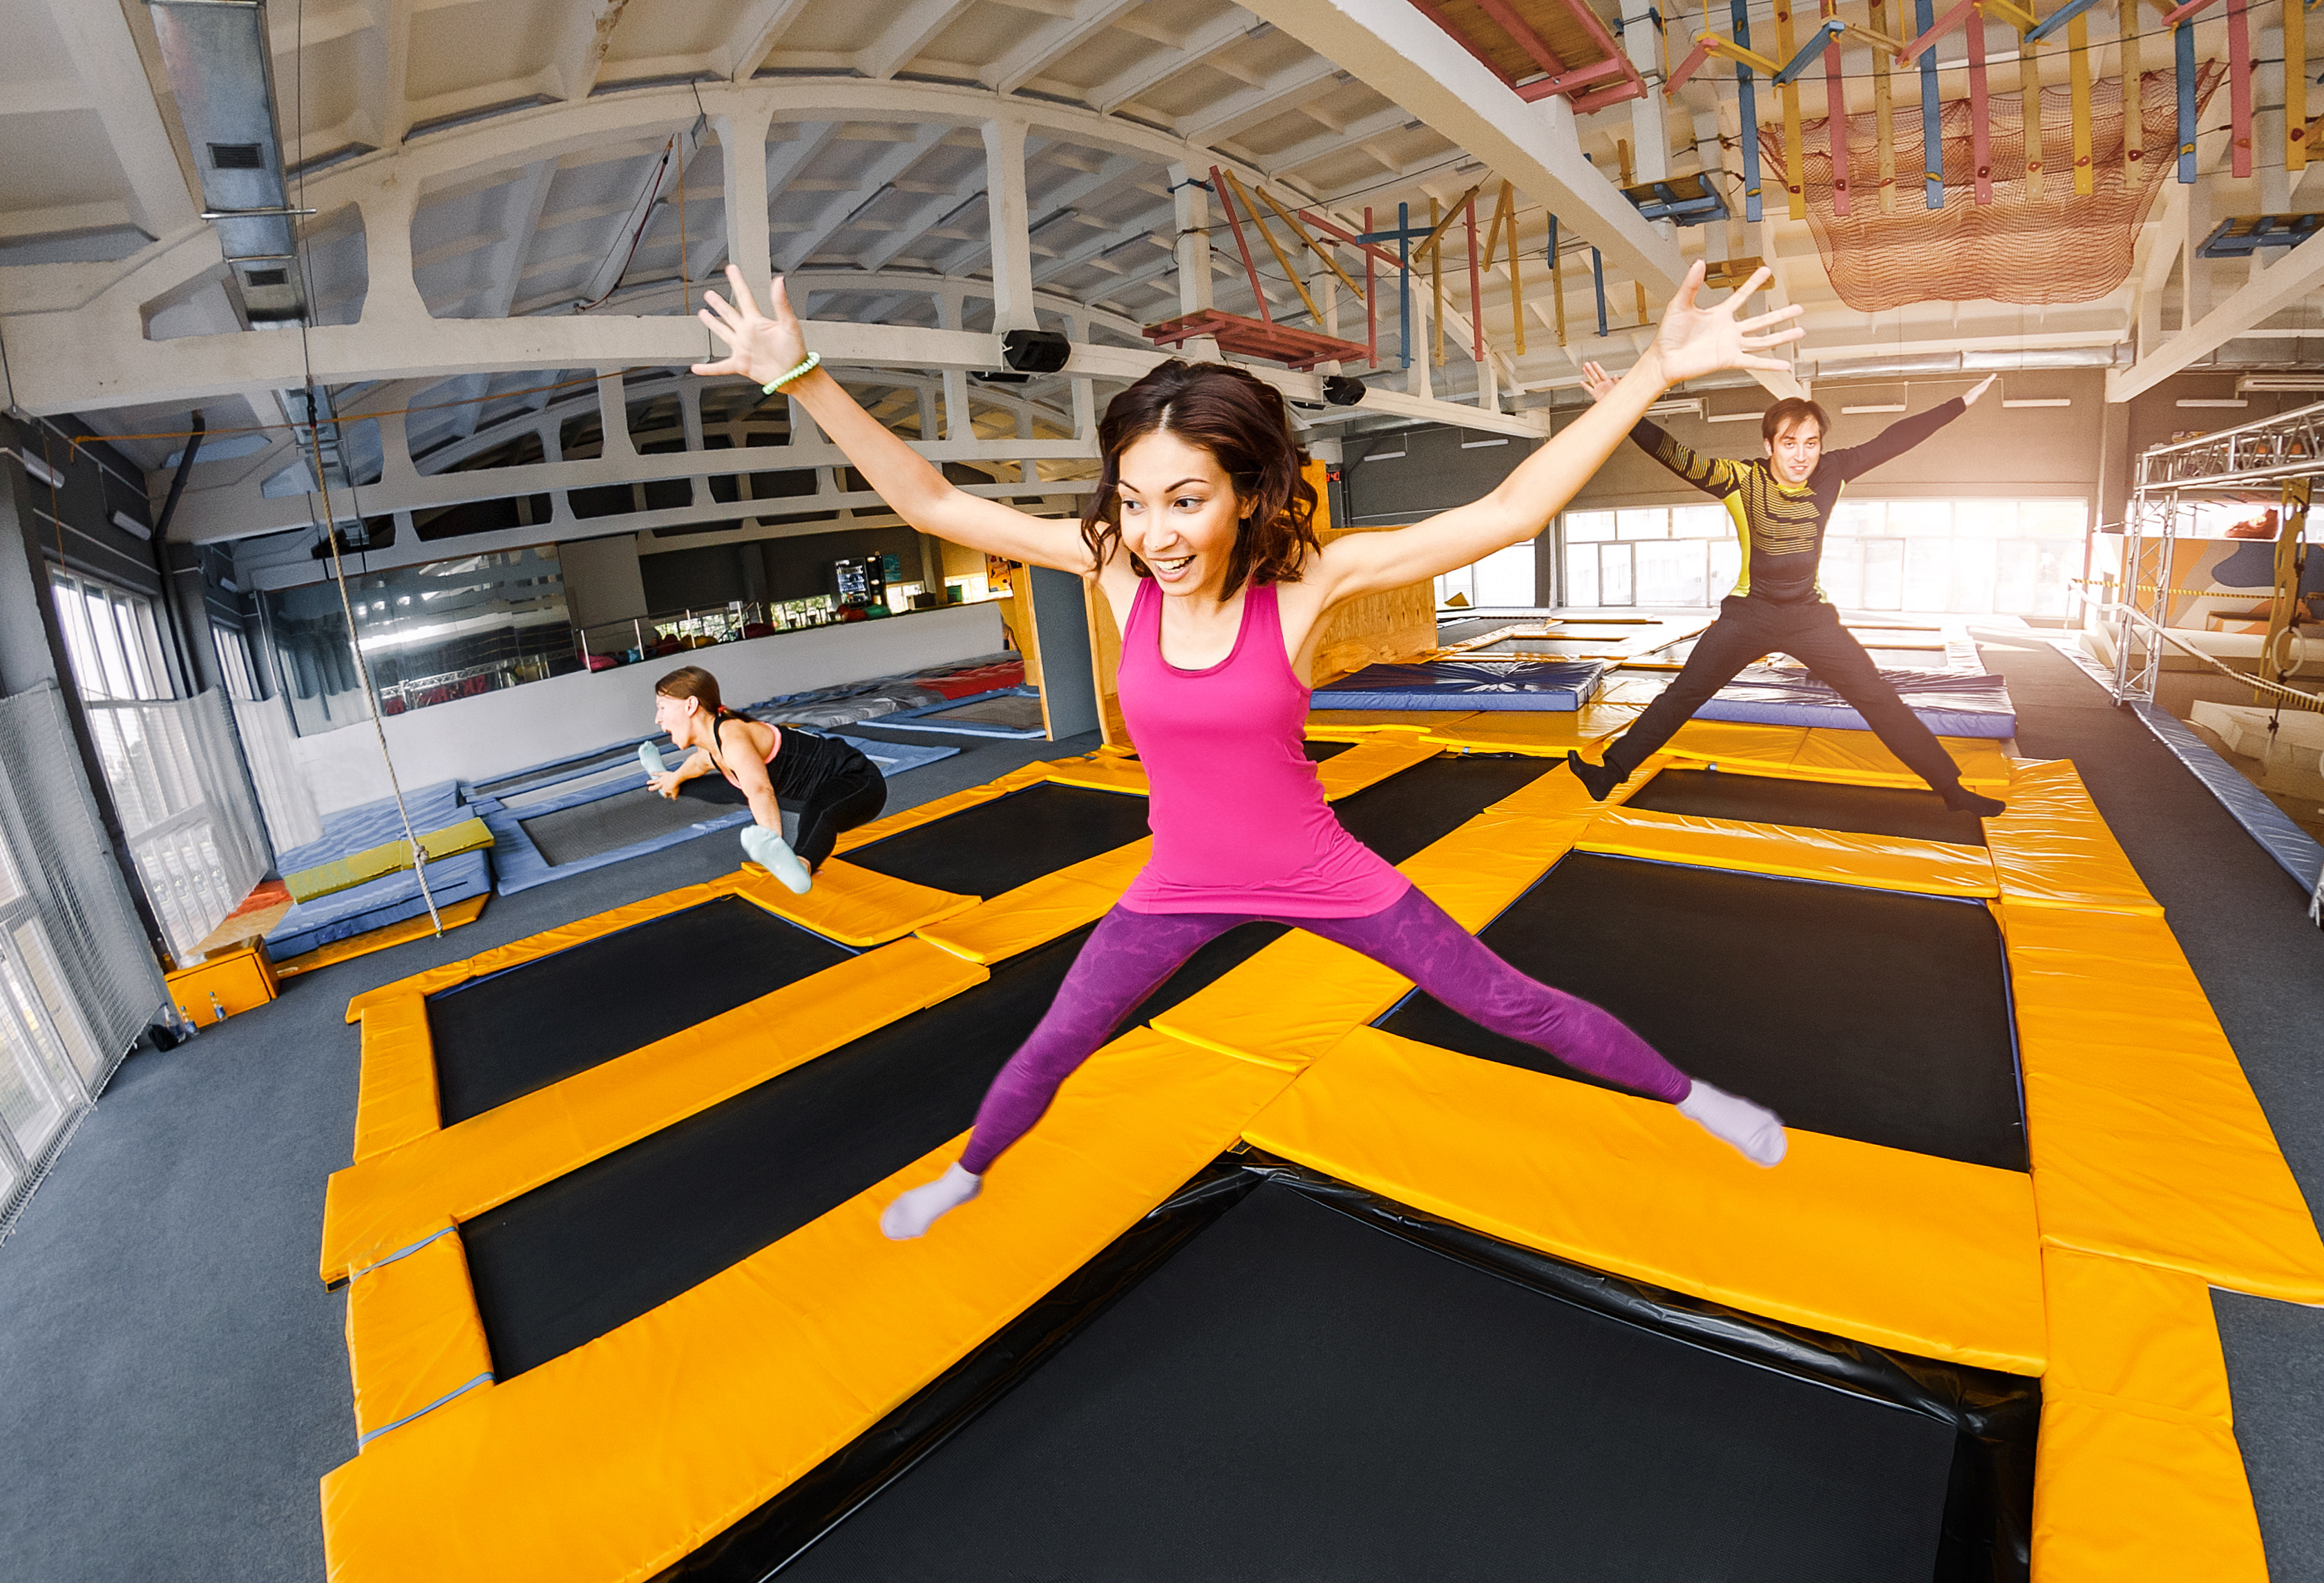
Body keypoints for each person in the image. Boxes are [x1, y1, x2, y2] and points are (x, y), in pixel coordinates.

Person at [686, 260, 1804, 1240]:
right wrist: (801, 377)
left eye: (1184, 500)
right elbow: (931, 500)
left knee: (1508, 999)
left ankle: (1693, 1097)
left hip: (1320, 869)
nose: (1154, 532)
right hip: (1175, 882)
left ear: (1246, 492)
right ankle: (966, 1173)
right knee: (1053, 1042)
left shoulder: (1310, 580)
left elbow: (1510, 508)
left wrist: (1657, 369)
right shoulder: (1112, 567)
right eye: (1131, 501)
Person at [1562, 363, 2007, 816]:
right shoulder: (1740, 478)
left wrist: (1960, 403)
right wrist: (1620, 407)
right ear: (1769, 444)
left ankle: (1952, 791)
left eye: (1811, 443)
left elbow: (1896, 439)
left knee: (1878, 697)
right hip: (1748, 616)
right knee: (1684, 695)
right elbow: (1674, 453)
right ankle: (1610, 773)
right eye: (1790, 443)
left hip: (1810, 618)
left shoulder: (1834, 471)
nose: (1802, 456)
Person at [641, 664, 887, 895]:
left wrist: (773, 844)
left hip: (859, 782)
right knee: (734, 787)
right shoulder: (710, 749)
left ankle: (800, 865)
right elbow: (696, 764)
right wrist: (674, 777)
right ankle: (663, 782)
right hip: (807, 793)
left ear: (690, 705)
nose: (657, 719)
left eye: (662, 707)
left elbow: (761, 792)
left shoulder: (733, 736)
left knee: (815, 807)